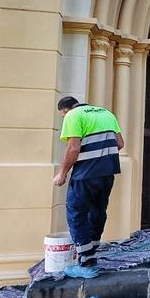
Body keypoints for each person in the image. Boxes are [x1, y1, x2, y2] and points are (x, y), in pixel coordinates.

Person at [53, 96, 124, 278]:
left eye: (63, 116)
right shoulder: (106, 113)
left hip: (85, 175)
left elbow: (73, 148)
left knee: (76, 214)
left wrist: (62, 173)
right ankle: (91, 252)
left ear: (65, 111)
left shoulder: (73, 115)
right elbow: (120, 144)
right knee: (97, 212)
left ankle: (87, 264)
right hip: (107, 173)